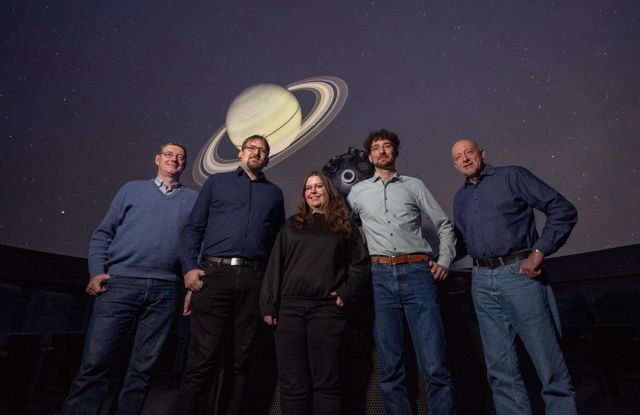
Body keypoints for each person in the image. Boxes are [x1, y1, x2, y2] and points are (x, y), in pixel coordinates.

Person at [60, 142, 198, 415]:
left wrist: (189, 284)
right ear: (157, 159)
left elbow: (195, 246)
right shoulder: (131, 190)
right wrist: (97, 270)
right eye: (168, 155)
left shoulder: (194, 200)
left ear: (185, 164)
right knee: (95, 363)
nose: (174, 160)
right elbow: (103, 233)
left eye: (180, 157)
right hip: (120, 284)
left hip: (165, 291)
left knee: (142, 370)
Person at [450, 139, 578, 415]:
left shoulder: (512, 176)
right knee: (500, 370)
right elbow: (461, 242)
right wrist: (436, 258)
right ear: (455, 164)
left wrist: (539, 252)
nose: (465, 159)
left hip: (520, 275)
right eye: (459, 157)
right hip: (481, 281)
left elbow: (562, 209)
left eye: (469, 153)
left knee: (548, 363)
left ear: (482, 154)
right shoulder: (460, 199)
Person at [347, 129, 457, 415]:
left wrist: (444, 260)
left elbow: (444, 224)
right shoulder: (357, 192)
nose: (382, 151)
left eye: (387, 146)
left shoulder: (414, 186)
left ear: (395, 151)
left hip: (418, 274)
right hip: (379, 278)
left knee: (434, 364)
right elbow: (341, 233)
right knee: (390, 367)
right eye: (376, 147)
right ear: (369, 156)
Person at [177, 134, 285, 415]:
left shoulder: (274, 193)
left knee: (241, 361)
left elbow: (276, 245)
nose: (257, 153)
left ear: (268, 158)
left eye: (263, 150)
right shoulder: (216, 183)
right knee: (202, 360)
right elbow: (193, 228)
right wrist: (190, 268)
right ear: (240, 152)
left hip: (254, 279)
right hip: (214, 275)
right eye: (252, 147)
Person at [260, 171, 370, 415]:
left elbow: (360, 265)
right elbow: (275, 264)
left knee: (327, 385)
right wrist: (268, 304)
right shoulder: (292, 224)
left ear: (328, 191)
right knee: (293, 385)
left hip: (326, 312)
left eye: (319, 186)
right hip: (289, 313)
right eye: (308, 187)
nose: (313, 191)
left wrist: (346, 292)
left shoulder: (344, 226)